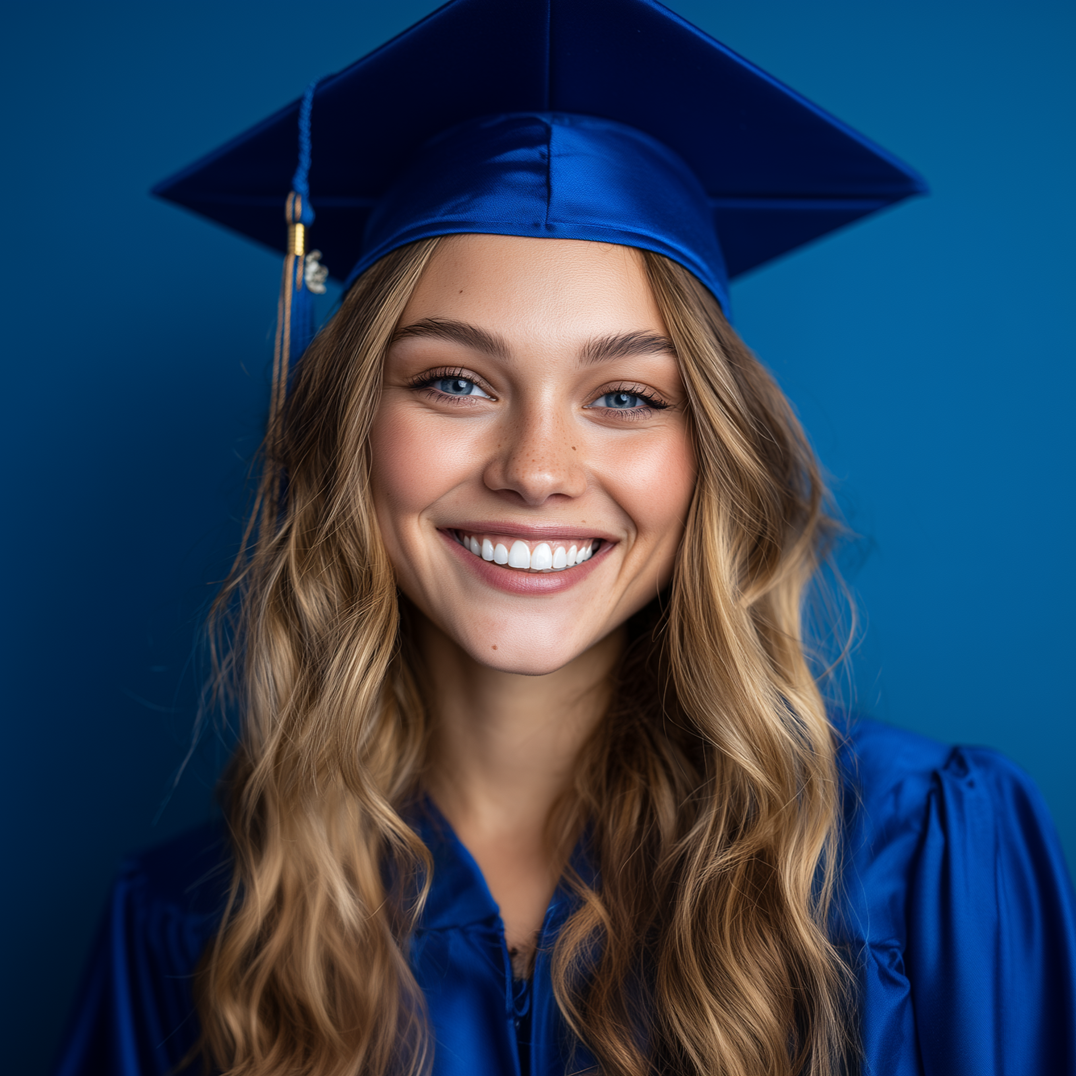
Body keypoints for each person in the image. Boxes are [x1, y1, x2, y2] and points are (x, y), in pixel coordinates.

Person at [54, 1, 1076, 1074]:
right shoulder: (193, 928)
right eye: (454, 381)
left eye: (625, 395)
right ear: (348, 429)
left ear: (712, 451)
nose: (536, 469)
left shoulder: (913, 862)